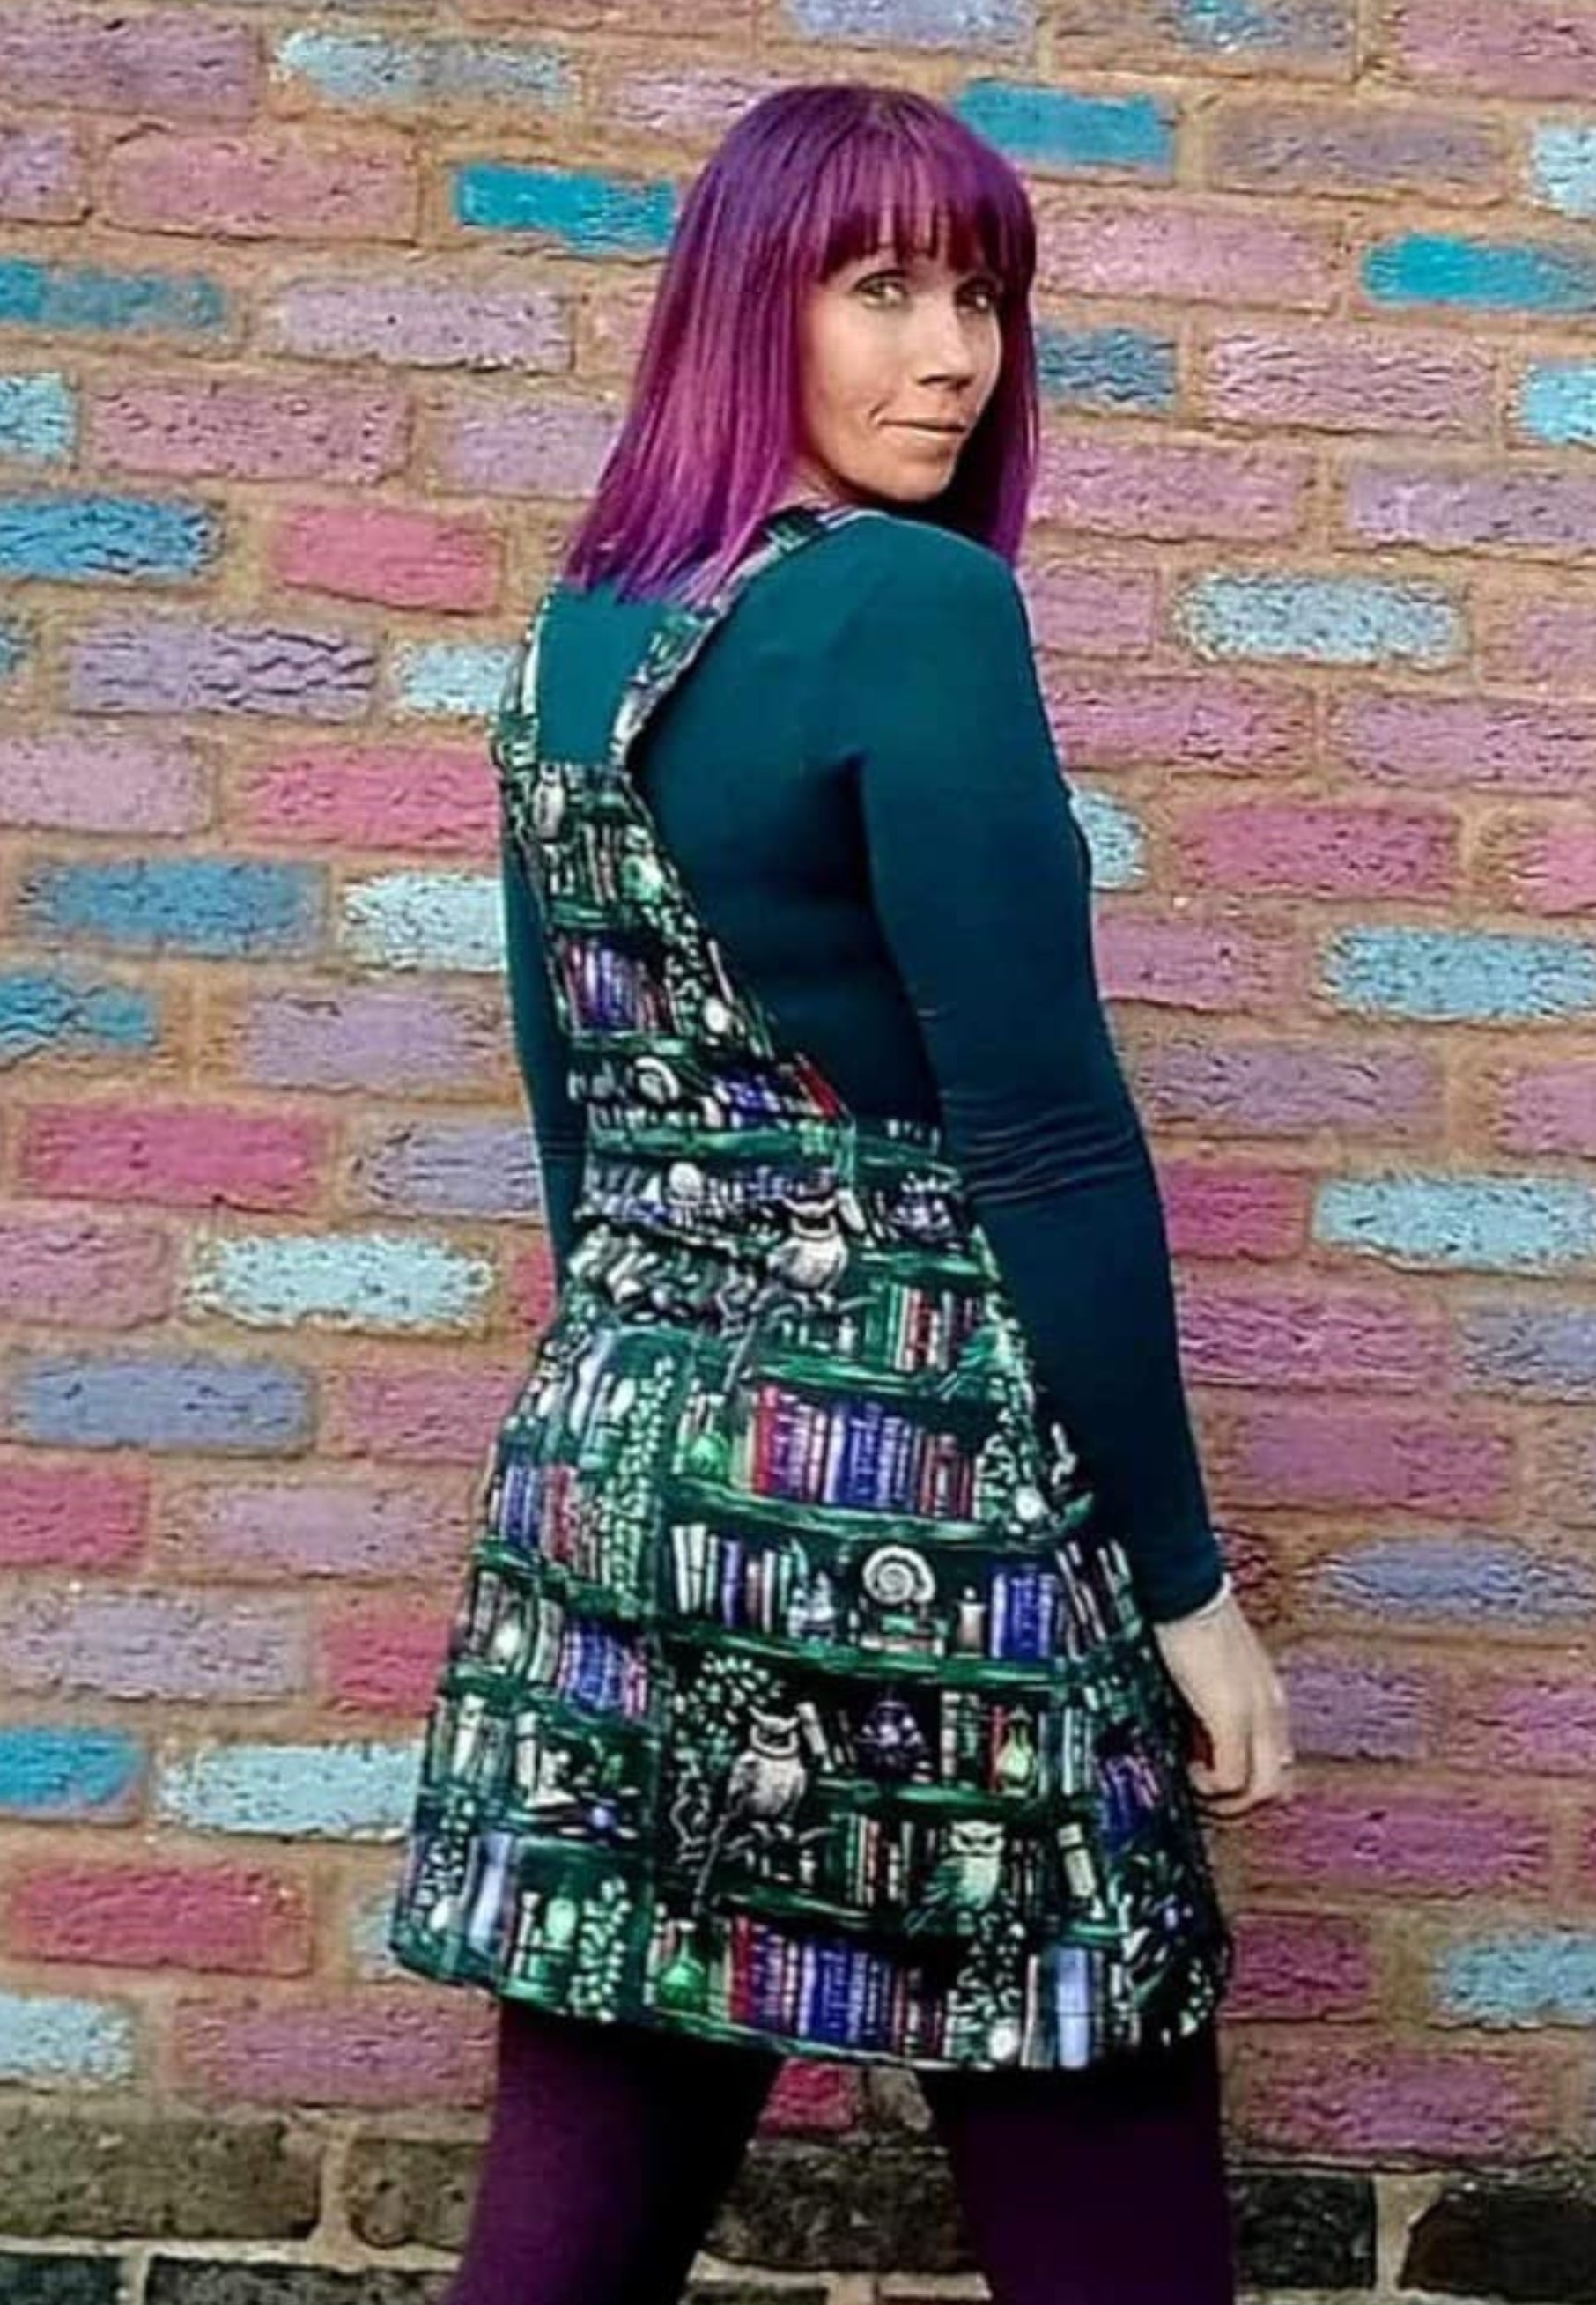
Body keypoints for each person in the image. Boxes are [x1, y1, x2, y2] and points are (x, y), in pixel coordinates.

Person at [388, 80, 1294, 2305]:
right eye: (881, 288)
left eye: (982, 295)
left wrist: (676, 1427)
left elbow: (583, 1120)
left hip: (621, 1475)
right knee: (1090, 2113)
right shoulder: (915, 606)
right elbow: (1046, 1133)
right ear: (747, 308)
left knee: (590, 2163)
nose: (953, 353)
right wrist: (1183, 1583)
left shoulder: (578, 636)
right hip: (925, 1492)